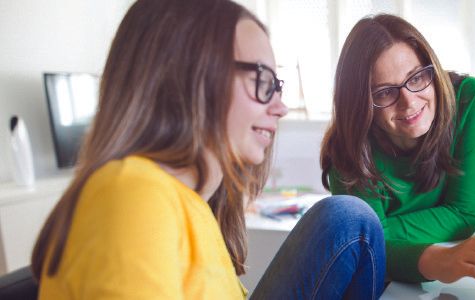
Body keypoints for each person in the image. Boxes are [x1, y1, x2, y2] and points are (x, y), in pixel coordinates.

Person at [30, 0, 385, 299]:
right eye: (262, 81)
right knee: (348, 220)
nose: (279, 107)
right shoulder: (133, 193)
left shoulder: (191, 204)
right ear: (187, 77)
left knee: (348, 219)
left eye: (276, 85)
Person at [320, 14, 475, 288]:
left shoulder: (470, 98)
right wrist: (436, 259)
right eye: (383, 93)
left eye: (416, 78)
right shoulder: (349, 144)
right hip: (382, 282)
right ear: (360, 103)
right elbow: (364, 250)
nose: (409, 102)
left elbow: (465, 214)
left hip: (452, 271)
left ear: (432, 69)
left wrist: (381, 236)